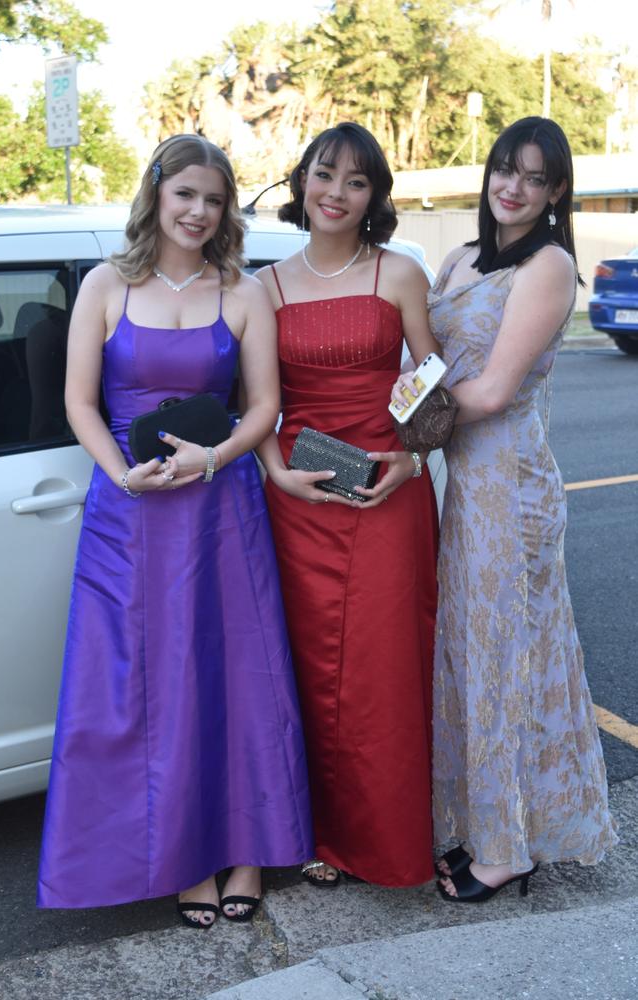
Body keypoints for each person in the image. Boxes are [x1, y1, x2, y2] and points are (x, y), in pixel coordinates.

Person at [37, 134, 313, 926]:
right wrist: (122, 475)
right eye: (186, 193)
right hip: (127, 516)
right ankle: (187, 856)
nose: (198, 211)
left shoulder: (243, 289)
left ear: (227, 210)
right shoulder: (104, 285)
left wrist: (217, 457)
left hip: (221, 511)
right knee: (144, 691)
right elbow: (79, 404)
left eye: (214, 199)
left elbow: (265, 406)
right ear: (156, 192)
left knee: (236, 681)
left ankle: (249, 855)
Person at [394, 116, 618, 903]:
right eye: (502, 169)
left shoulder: (551, 265)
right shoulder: (457, 258)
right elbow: (421, 360)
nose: (511, 186)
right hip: (462, 483)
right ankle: (485, 823)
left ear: (557, 191)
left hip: (510, 487)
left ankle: (510, 849)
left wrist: (409, 409)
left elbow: (487, 392)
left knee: (508, 664)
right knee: (470, 656)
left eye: (532, 176)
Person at [256, 122, 439, 888]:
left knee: (384, 672)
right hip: (298, 501)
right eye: (325, 175)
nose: (336, 192)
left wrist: (412, 458)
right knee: (299, 669)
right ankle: (312, 834)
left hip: (388, 493)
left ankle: (381, 842)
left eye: (356, 181)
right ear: (302, 182)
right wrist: (272, 472)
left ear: (375, 196)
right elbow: (254, 406)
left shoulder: (397, 273)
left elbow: (430, 381)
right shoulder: (261, 285)